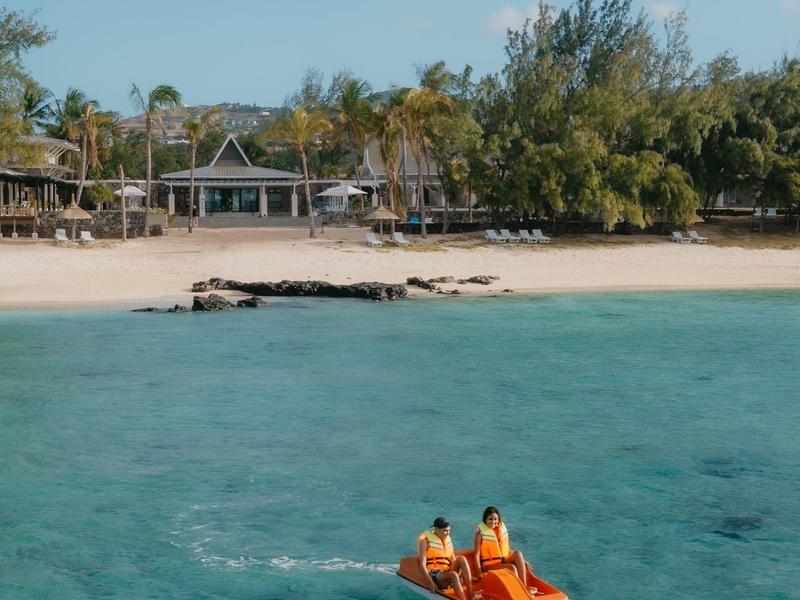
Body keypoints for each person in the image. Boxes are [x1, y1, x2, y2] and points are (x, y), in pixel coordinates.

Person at [473, 506, 531, 588]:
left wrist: (522, 561)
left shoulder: (499, 530)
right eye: (490, 519)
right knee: (512, 568)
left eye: (495, 519)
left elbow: (507, 549)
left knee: (518, 553)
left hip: (502, 562)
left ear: (498, 520)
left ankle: (524, 586)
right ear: (485, 519)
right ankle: (518, 589)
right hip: (488, 566)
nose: (493, 521)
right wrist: (479, 573)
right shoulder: (479, 535)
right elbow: (476, 555)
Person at [418, 517, 473, 600]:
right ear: (436, 529)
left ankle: (471, 593)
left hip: (446, 572)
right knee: (453, 575)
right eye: (445, 531)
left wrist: (461, 576)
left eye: (449, 531)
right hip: (435, 574)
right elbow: (422, 564)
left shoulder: (447, 539)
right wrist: (430, 582)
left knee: (462, 559)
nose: (448, 533)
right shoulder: (426, 541)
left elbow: (453, 560)